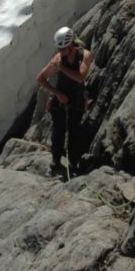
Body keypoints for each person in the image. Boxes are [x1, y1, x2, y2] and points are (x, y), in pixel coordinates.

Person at [36, 26, 93, 175]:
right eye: (59, 49)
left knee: (74, 131)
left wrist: (61, 68)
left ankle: (74, 164)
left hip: (77, 97)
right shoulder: (58, 59)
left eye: (63, 49)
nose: (60, 52)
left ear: (71, 45)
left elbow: (81, 77)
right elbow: (40, 78)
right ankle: (56, 161)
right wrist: (56, 93)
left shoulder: (85, 55)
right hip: (60, 97)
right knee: (58, 131)